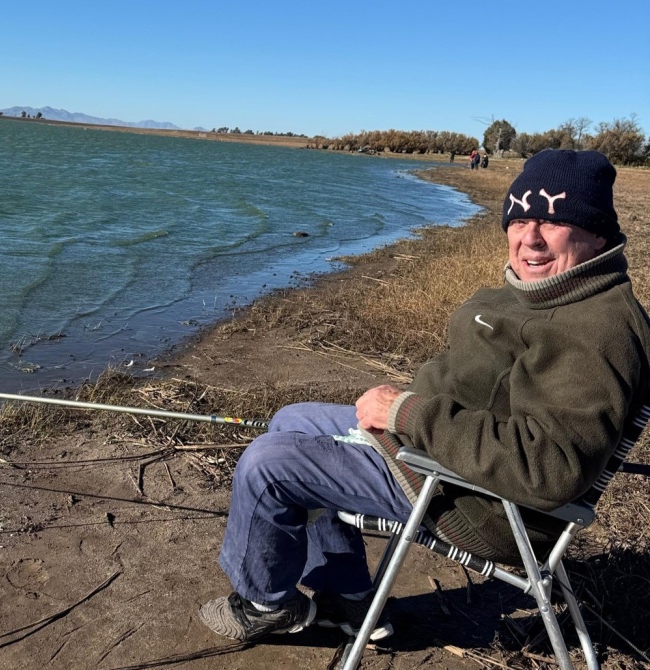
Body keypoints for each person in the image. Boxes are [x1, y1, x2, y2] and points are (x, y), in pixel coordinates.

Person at [199, 150, 650, 643]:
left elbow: (550, 468)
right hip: (434, 452)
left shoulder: (599, 330)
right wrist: (409, 412)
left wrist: (407, 411)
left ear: (598, 231)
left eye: (553, 220)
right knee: (291, 420)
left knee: (268, 465)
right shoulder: (544, 290)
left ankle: (265, 605)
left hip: (476, 500)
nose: (530, 237)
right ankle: (347, 598)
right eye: (519, 218)